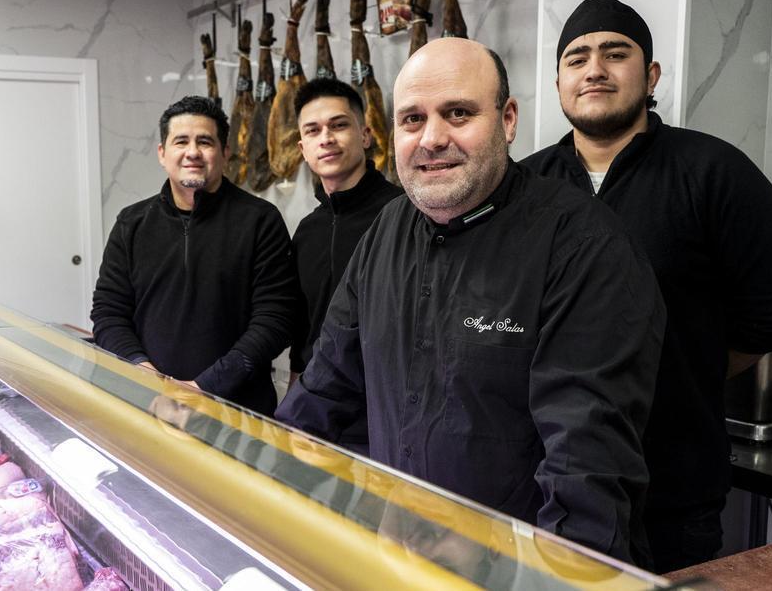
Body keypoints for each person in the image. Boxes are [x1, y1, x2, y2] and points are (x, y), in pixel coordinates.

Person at [276, 37, 665, 565]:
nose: (432, 138)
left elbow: (586, 465)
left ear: (508, 120)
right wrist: (258, 477)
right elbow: (324, 386)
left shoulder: (583, 245)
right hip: (400, 553)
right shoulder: (386, 231)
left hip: (512, 568)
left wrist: (554, 578)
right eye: (412, 119)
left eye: (458, 113)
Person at [522, 0, 772, 572]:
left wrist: (678, 371)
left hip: (672, 488)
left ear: (650, 75)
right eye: (577, 58)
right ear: (558, 82)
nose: (594, 68)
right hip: (540, 481)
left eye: (615, 53)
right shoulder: (526, 186)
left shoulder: (714, 171)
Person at [91, 95, 298, 415]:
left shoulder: (260, 220)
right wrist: (148, 377)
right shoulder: (131, 223)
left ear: (225, 152)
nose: (192, 152)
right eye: (180, 141)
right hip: (149, 403)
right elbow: (108, 313)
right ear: (162, 153)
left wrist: (206, 387)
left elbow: (276, 318)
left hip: (238, 410)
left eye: (205, 141)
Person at [289, 78, 403, 454]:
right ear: (302, 147)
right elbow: (303, 328)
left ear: (366, 134)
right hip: (318, 414)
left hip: (387, 415)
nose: (327, 138)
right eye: (313, 130)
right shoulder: (307, 231)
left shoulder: (403, 215)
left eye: (339, 125)